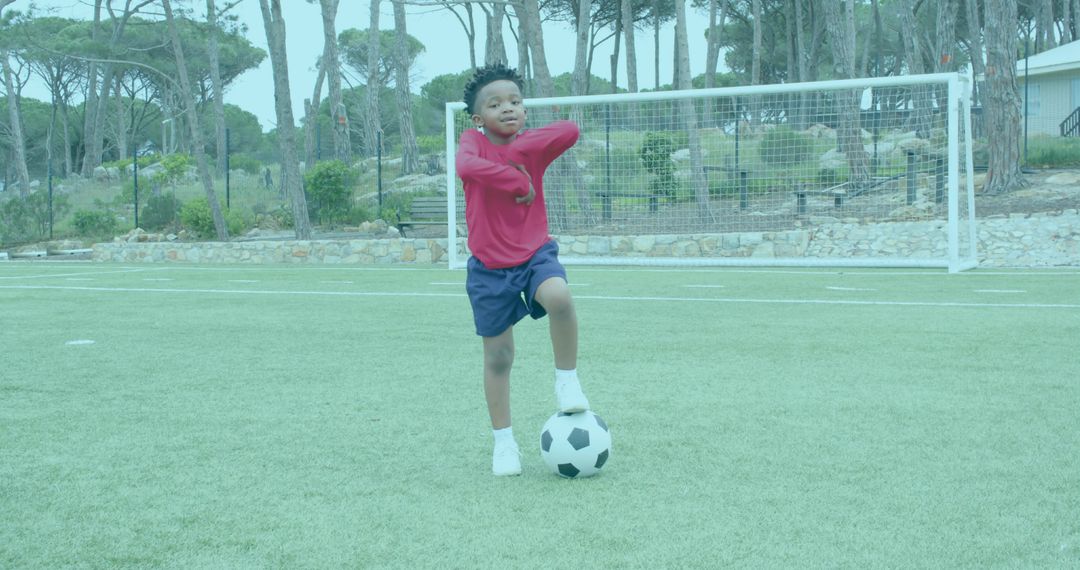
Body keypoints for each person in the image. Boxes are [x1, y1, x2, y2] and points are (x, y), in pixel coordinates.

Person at [456, 63, 590, 477]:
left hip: (534, 255)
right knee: (499, 357)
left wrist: (523, 150)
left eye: (515, 102)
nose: (508, 109)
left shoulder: (530, 146)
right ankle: (504, 444)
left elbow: (569, 130)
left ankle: (566, 380)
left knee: (559, 297)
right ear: (479, 119)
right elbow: (466, 168)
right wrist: (515, 180)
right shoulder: (471, 143)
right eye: (495, 105)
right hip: (489, 269)